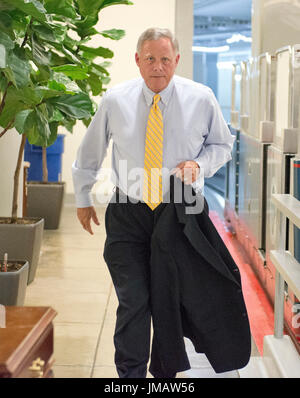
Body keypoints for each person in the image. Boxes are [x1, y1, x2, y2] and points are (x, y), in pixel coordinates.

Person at [72, 28, 243, 378]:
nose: (158, 67)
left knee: (169, 302)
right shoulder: (115, 100)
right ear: (137, 60)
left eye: (166, 59)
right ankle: (130, 377)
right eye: (150, 59)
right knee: (133, 301)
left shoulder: (201, 98)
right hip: (128, 212)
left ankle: (164, 376)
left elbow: (222, 146)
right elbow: (91, 151)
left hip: (179, 213)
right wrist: (83, 197)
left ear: (177, 60)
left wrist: (200, 165)